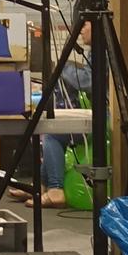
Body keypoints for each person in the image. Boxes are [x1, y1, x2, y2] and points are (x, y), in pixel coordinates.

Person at [40, 18, 92, 208]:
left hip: (106, 119)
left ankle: (54, 189)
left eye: (85, 25)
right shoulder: (94, 52)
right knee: (52, 132)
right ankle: (41, 188)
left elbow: (87, 81)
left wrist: (63, 68)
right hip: (99, 113)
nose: (81, 30)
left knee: (53, 135)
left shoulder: (100, 51)